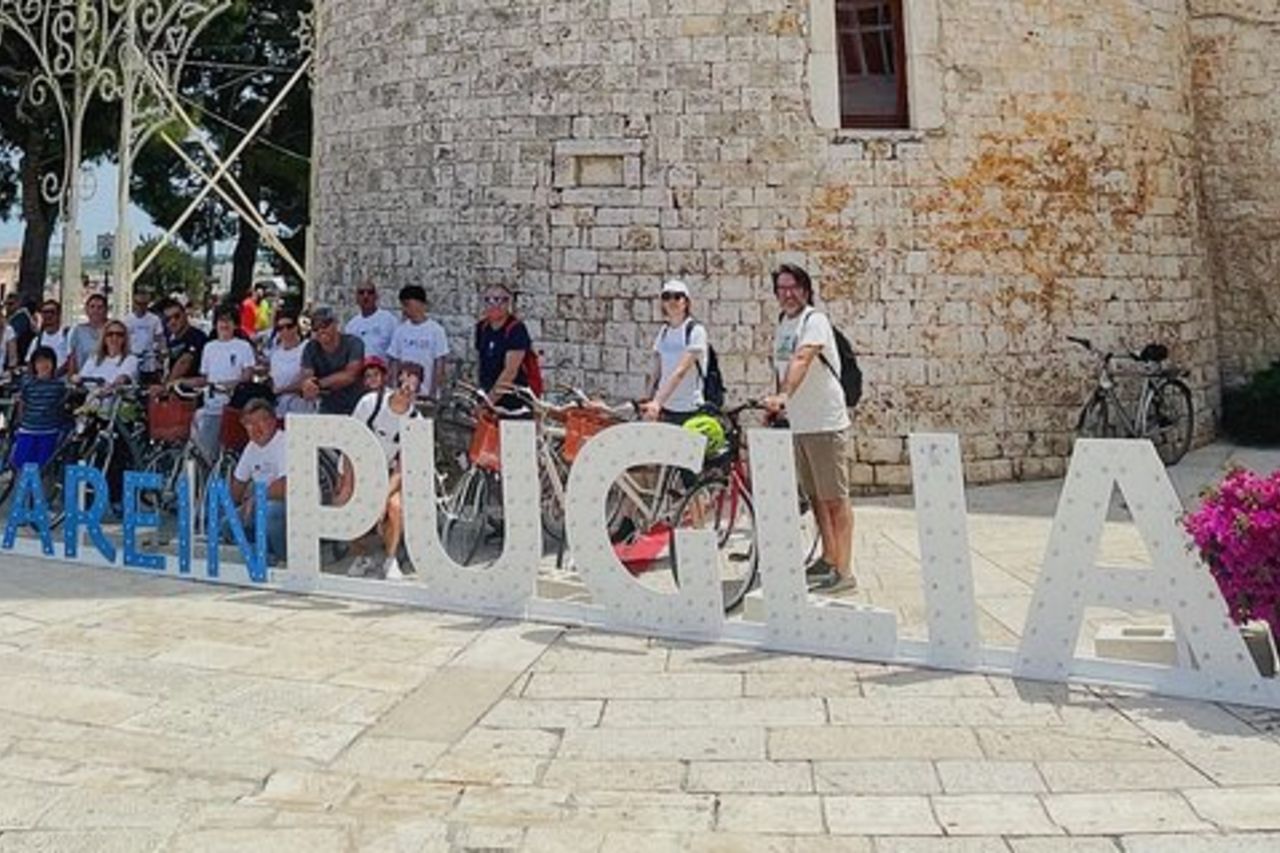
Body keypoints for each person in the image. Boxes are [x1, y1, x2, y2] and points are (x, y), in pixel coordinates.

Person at [765, 264, 856, 593]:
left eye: (794, 287)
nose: (788, 294)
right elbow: (782, 364)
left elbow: (802, 359)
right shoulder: (784, 323)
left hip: (825, 421)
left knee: (835, 498)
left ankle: (844, 571)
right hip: (801, 424)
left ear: (805, 289)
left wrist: (783, 396)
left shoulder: (814, 320)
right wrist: (776, 406)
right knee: (817, 498)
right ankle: (828, 558)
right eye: (781, 288)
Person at [346, 358, 423, 580]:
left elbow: (402, 468)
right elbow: (350, 441)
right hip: (361, 466)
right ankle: (360, 555)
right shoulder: (370, 403)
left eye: (412, 387)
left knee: (394, 506)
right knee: (343, 499)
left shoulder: (416, 420)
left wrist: (382, 496)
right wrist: (348, 480)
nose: (406, 391)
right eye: (403, 384)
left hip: (391, 474)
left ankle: (390, 559)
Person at [190, 306, 256, 461]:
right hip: (211, 405)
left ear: (235, 325)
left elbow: (248, 374)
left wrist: (231, 385)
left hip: (233, 406)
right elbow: (205, 377)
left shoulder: (243, 346)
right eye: (221, 320)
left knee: (233, 452)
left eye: (229, 321)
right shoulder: (209, 347)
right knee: (207, 453)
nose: (224, 325)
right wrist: (183, 383)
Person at [640, 280, 709, 425]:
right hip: (665, 408)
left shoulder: (695, 331)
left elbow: (681, 371)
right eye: (667, 296)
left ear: (686, 302)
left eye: (677, 296)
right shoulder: (664, 332)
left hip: (688, 409)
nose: (672, 301)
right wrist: (648, 398)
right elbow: (656, 371)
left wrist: (657, 402)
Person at [230, 398, 288, 565]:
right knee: (228, 525)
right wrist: (240, 503)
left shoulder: (284, 442)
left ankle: (285, 558)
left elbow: (286, 486)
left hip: (288, 505)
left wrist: (256, 497)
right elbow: (237, 486)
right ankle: (268, 555)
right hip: (259, 504)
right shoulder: (251, 447)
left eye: (261, 421)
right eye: (249, 423)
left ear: (272, 421)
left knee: (270, 512)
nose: (256, 428)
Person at [8, 346, 68, 472]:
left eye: (47, 361)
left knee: (43, 468)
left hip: (49, 432)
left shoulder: (60, 385)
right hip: (27, 430)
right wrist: (20, 423)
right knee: (21, 467)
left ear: (54, 363)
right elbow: (22, 404)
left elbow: (62, 406)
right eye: (39, 361)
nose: (43, 365)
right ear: (34, 365)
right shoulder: (27, 383)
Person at [474, 283, 533, 407]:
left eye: (501, 300)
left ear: (508, 304)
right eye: (488, 300)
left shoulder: (516, 330)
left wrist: (488, 402)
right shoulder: (482, 328)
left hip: (513, 401)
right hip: (488, 396)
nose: (495, 304)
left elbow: (510, 372)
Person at [300, 305, 365, 415]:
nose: (321, 330)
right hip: (327, 407)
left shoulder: (354, 343)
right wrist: (308, 386)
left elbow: (350, 376)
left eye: (325, 325)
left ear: (335, 324)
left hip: (357, 406)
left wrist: (318, 384)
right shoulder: (310, 348)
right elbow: (308, 378)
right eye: (316, 327)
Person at [388, 285, 448, 399]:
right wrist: (394, 389)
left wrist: (433, 393)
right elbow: (394, 361)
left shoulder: (436, 331)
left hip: (426, 393)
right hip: (403, 394)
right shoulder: (400, 331)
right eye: (403, 305)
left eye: (407, 304)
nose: (404, 309)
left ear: (419, 303)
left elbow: (439, 363)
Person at [267, 308, 313, 417]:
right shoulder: (275, 354)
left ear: (296, 327)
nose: (285, 331)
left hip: (301, 408)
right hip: (279, 409)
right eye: (280, 328)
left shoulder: (307, 348)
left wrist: (283, 390)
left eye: (289, 326)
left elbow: (306, 379)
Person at [158, 298, 208, 389]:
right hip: (176, 389)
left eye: (177, 316)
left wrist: (165, 387)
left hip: (193, 391)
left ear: (185, 315)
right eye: (168, 319)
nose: (173, 321)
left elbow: (184, 362)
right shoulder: (172, 340)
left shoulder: (196, 336)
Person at [344, 279, 399, 360]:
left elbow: (397, 351)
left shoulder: (389, 320)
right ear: (356, 298)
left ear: (376, 296)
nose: (366, 296)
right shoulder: (351, 326)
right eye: (361, 292)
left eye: (370, 292)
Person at [76, 320, 138, 389]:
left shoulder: (130, 359)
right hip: (90, 396)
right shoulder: (94, 358)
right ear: (104, 338)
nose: (114, 338)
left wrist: (117, 383)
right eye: (110, 334)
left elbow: (125, 377)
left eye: (119, 334)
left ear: (125, 339)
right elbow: (81, 377)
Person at [125, 288, 165, 386]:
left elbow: (159, 337)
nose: (141, 307)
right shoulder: (127, 319)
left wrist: (160, 354)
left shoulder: (154, 319)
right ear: (134, 303)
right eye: (138, 303)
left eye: (144, 304)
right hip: (132, 356)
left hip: (149, 359)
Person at [67, 293, 109, 377]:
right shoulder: (78, 331)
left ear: (106, 310)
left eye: (100, 307)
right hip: (82, 379)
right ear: (86, 309)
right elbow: (73, 358)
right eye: (92, 307)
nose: (95, 311)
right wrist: (71, 378)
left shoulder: (112, 330)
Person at [25, 301, 71, 374]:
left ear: (59, 315)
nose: (48, 315)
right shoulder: (37, 340)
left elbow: (72, 359)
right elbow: (29, 363)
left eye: (52, 312)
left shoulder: (68, 336)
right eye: (45, 312)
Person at [4, 294, 36, 371]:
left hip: (20, 359)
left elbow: (14, 336)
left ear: (18, 303)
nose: (8, 307)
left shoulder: (21, 317)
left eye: (11, 304)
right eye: (6, 304)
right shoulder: (12, 318)